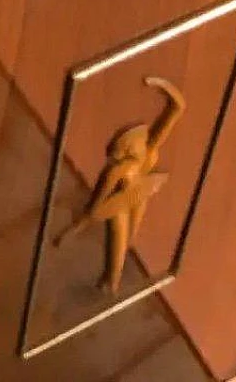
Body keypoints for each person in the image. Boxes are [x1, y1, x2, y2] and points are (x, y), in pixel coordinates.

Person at [54, 75, 186, 293]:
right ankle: (110, 283)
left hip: (138, 199)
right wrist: (75, 229)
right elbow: (96, 206)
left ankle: (110, 281)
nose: (142, 141)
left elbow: (177, 108)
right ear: (126, 148)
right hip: (119, 208)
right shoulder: (116, 171)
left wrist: (162, 85)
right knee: (118, 247)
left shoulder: (149, 151)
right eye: (135, 141)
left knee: (128, 244)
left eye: (141, 138)